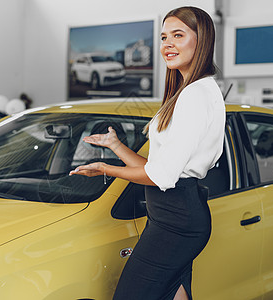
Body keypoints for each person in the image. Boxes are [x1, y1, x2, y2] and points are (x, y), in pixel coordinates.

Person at [70, 6, 225, 300]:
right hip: (175, 216)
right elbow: (160, 166)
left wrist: (105, 169)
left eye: (178, 35)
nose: (168, 45)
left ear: (202, 39)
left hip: (176, 221)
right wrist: (117, 147)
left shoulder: (195, 95)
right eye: (164, 37)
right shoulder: (191, 90)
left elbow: (160, 176)